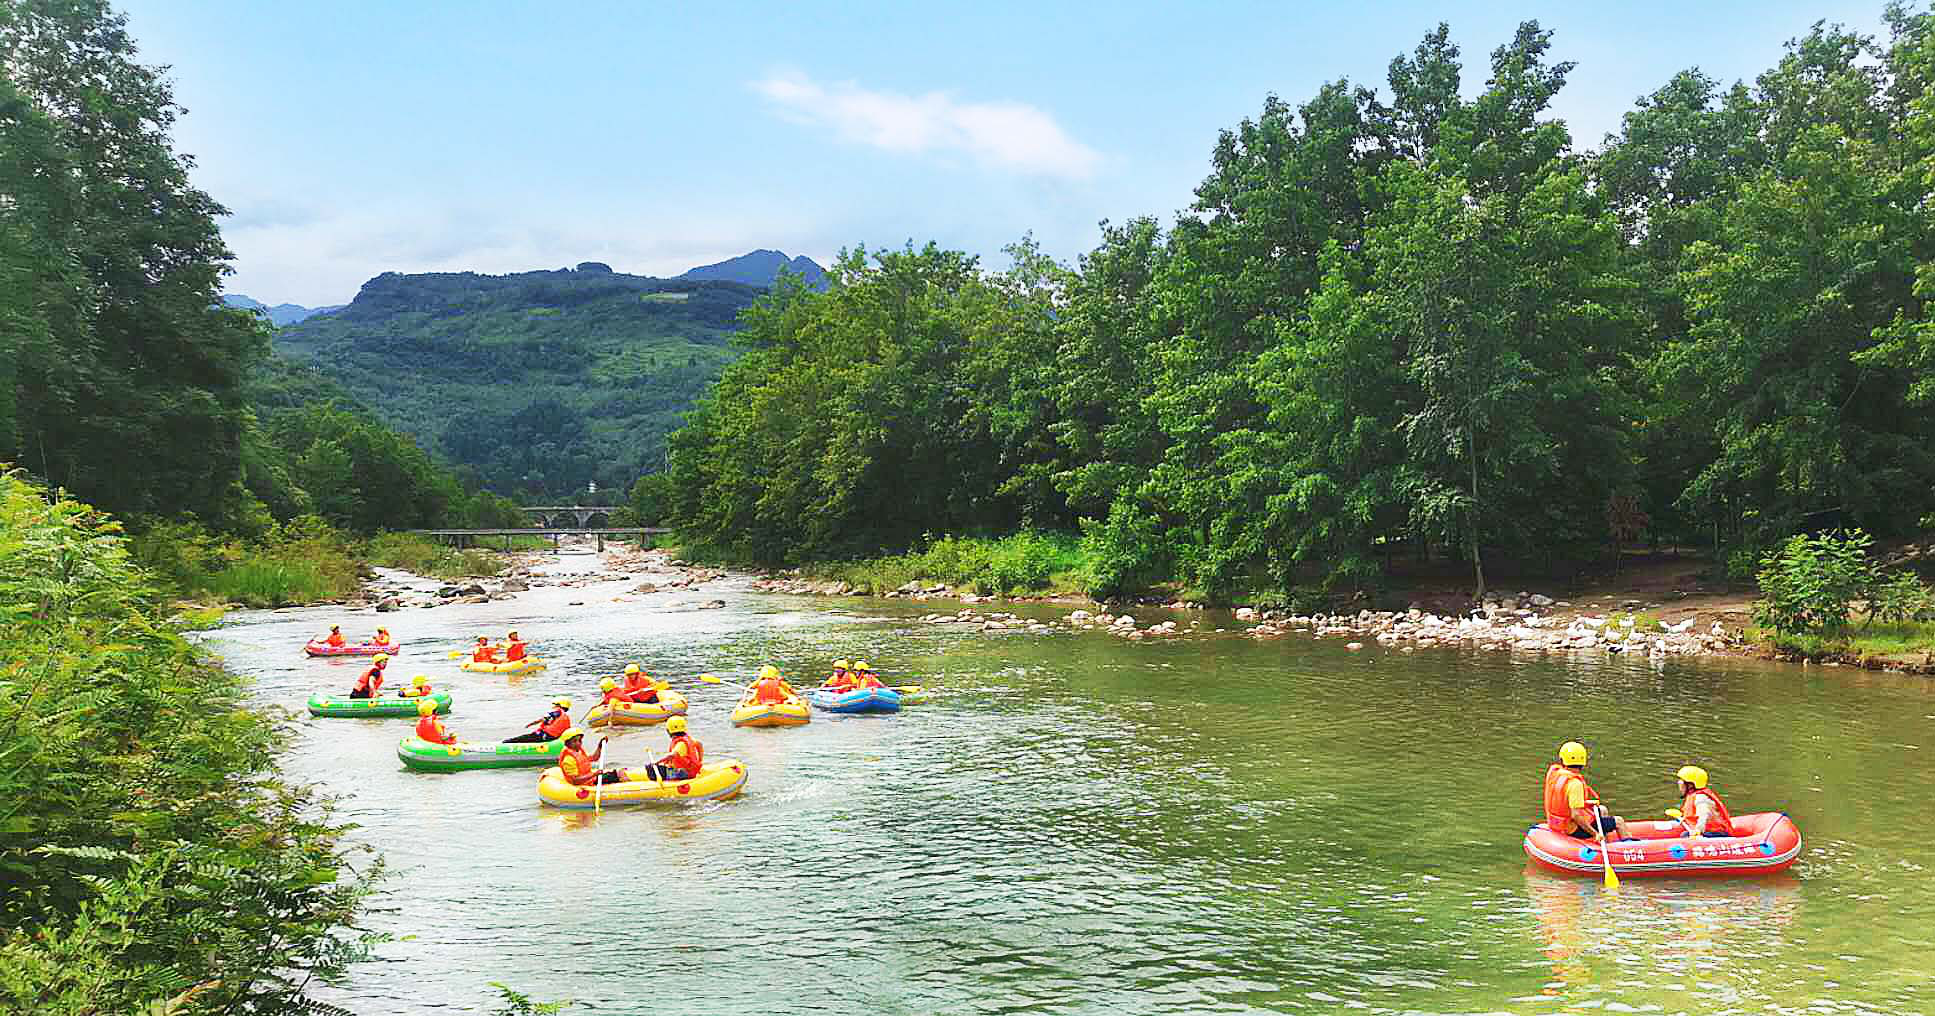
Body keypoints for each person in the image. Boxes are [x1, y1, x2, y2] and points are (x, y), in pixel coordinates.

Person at [1542, 741, 1632, 841]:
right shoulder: (1575, 784)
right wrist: (1595, 833)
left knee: (1602, 809)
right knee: (1619, 821)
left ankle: (1607, 844)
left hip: (1557, 823)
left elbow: (1564, 802)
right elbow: (1576, 815)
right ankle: (1631, 850)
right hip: (1571, 828)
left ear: (1562, 759)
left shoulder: (1555, 774)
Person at [1669, 765, 1735, 838]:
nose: (1679, 783)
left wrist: (1698, 830)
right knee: (1684, 833)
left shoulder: (1701, 798)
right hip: (1708, 831)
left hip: (1717, 833)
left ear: (1690, 785)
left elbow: (1704, 814)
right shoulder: (1693, 795)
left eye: (1681, 780)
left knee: (1685, 835)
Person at [638, 716, 702, 781]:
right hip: (689, 770)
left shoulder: (680, 743)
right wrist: (700, 760)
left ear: (668, 731)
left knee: (650, 769)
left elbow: (671, 755)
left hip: (685, 773)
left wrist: (656, 762)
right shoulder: (689, 739)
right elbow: (699, 744)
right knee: (661, 767)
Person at [557, 728, 624, 786]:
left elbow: (595, 758)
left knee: (620, 772)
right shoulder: (568, 760)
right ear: (567, 743)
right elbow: (575, 781)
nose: (578, 743)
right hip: (587, 782)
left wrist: (599, 746)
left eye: (579, 740)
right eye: (574, 741)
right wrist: (593, 774)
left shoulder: (579, 753)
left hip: (590, 779)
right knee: (619, 775)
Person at [505, 697, 573, 743]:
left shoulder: (557, 712)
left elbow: (542, 719)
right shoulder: (566, 717)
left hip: (545, 736)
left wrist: (530, 724)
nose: (553, 706)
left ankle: (505, 743)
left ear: (559, 705)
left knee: (523, 738)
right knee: (530, 737)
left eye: (554, 704)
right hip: (553, 738)